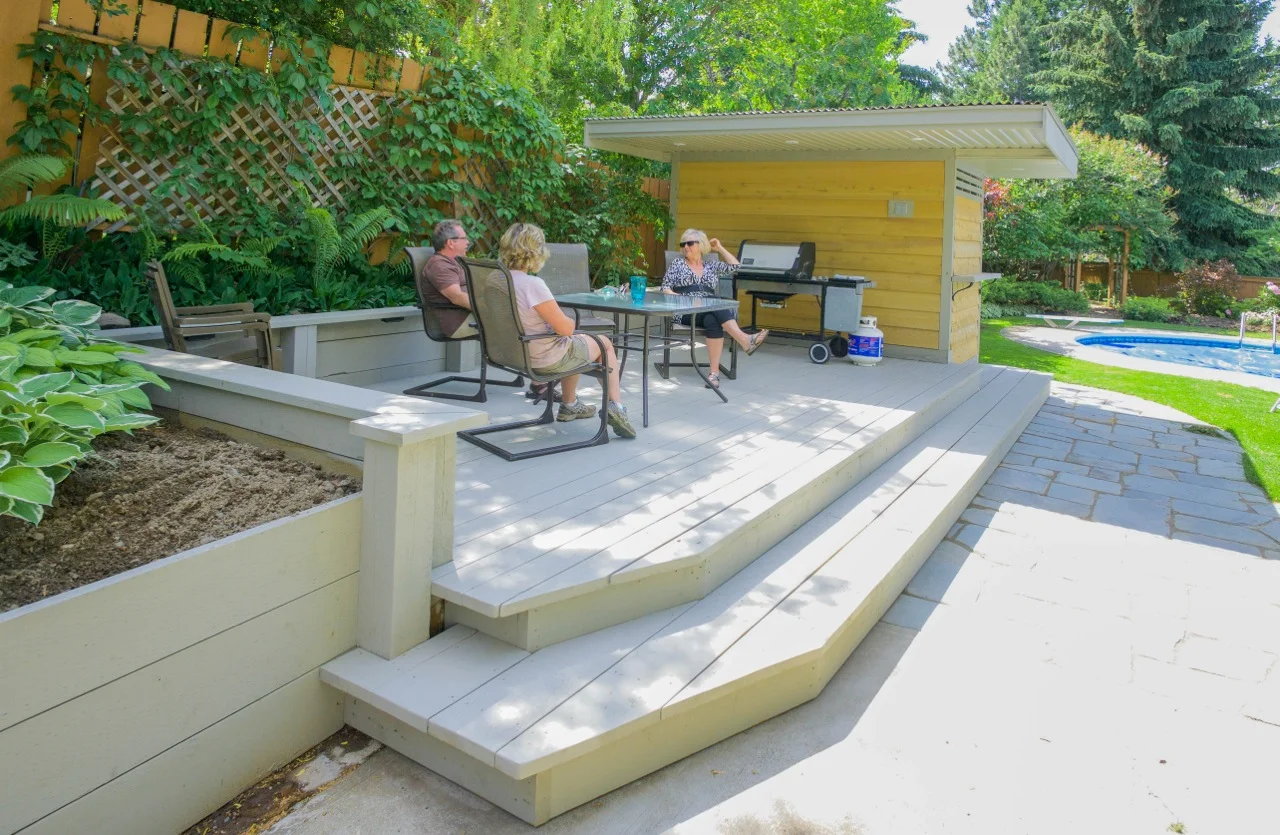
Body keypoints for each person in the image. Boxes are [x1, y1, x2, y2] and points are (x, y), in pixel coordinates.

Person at [499, 222, 636, 439]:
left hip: (509, 353)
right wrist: (568, 322)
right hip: (542, 357)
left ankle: (570, 405)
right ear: (535, 251)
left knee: (577, 342)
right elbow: (564, 328)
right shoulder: (532, 284)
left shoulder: (495, 279)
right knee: (604, 343)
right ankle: (617, 407)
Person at [661, 228, 768, 389]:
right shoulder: (677, 264)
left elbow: (735, 266)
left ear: (701, 245)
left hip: (709, 308)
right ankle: (744, 339)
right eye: (683, 244)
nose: (686, 247)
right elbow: (665, 288)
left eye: (690, 243)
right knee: (716, 304)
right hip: (685, 309)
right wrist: (684, 300)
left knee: (712, 319)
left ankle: (714, 374)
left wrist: (720, 248)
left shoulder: (710, 265)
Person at [419, 219, 475, 339]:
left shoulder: (455, 262)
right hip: (461, 323)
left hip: (472, 316)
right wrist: (489, 309)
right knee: (511, 324)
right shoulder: (440, 265)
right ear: (450, 243)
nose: (468, 242)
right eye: (464, 238)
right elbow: (457, 297)